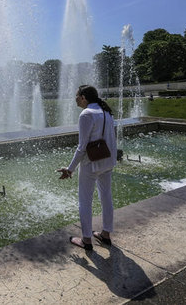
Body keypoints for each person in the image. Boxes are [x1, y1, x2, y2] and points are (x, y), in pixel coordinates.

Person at [57, 85, 117, 250]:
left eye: (77, 96)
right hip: (108, 161)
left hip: (91, 163)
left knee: (84, 201)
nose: (75, 99)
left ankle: (86, 239)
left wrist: (70, 169)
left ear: (83, 97)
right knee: (106, 197)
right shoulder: (106, 112)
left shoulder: (86, 114)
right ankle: (105, 234)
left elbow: (82, 147)